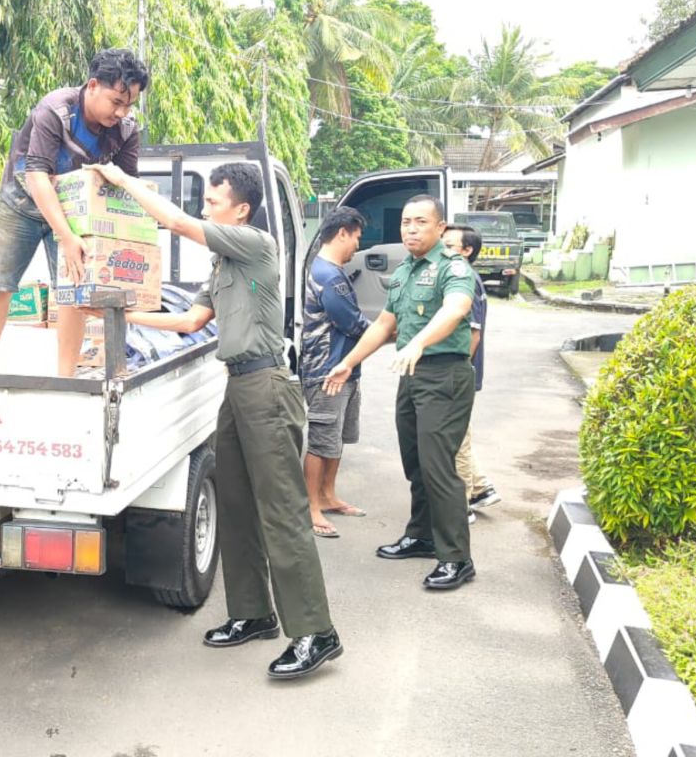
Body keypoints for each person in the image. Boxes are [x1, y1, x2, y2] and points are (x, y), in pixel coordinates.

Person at [84, 160, 341, 680]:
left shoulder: (256, 243)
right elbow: (189, 321)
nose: (205, 210)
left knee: (282, 511)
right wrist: (115, 315)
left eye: (214, 202)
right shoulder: (225, 265)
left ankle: (316, 632)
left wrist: (123, 180)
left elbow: (177, 223)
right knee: (238, 505)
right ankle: (252, 614)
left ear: (240, 211)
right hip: (239, 386)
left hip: (268, 387)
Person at [324, 195, 477, 591]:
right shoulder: (407, 269)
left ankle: (457, 558)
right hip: (413, 376)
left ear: (440, 229)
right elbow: (383, 324)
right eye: (406, 222)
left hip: (444, 375)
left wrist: (418, 342)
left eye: (421, 222)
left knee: (438, 467)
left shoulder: (453, 267)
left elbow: (456, 309)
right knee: (416, 461)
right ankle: (422, 535)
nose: (411, 229)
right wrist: (349, 361)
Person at [0, 48, 149, 377]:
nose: (122, 111)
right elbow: (36, 174)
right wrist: (67, 238)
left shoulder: (126, 129)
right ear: (94, 85)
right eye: (117, 102)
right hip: (22, 203)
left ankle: (66, 378)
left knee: (72, 294)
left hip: (76, 211)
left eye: (129, 104)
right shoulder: (55, 110)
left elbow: (126, 186)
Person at [301, 207, 371, 538]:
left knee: (338, 437)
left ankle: (328, 496)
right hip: (327, 371)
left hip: (345, 368)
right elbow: (352, 323)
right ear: (342, 232)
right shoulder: (328, 275)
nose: (358, 244)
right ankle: (311, 505)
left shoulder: (331, 270)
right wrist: (390, 330)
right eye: (357, 236)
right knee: (321, 439)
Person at [443, 225, 500, 521]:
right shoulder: (460, 275)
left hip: (460, 372)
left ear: (467, 251)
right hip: (464, 372)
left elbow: (472, 334)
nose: (444, 250)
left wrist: (459, 371)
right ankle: (480, 488)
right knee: (459, 434)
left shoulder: (465, 280)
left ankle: (461, 505)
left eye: (450, 246)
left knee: (457, 442)